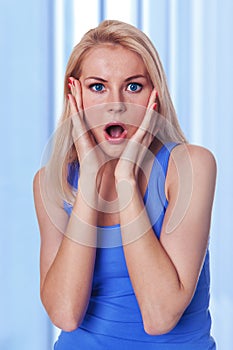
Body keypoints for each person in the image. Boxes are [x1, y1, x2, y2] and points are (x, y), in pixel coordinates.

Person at [33, 20, 217, 349]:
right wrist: (90, 178)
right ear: (73, 94)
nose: (115, 103)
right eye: (97, 87)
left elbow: (160, 315)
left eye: (133, 86)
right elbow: (65, 314)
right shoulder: (52, 183)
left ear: (154, 96)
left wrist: (125, 178)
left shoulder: (190, 166)